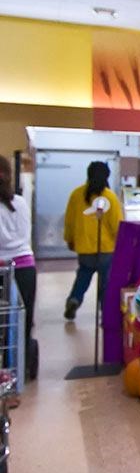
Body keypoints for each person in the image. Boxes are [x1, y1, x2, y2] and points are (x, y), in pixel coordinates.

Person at [64, 161, 122, 320]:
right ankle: (105, 312)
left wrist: (69, 239)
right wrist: (120, 243)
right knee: (106, 282)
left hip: (84, 247)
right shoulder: (110, 196)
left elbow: (69, 220)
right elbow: (116, 225)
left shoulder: (76, 194)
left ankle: (74, 300)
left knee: (83, 275)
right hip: (106, 249)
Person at [0, 156, 36, 390]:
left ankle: (5, 373)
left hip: (3, 268)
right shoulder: (21, 203)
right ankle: (19, 373)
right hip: (26, 266)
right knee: (23, 320)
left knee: (3, 326)